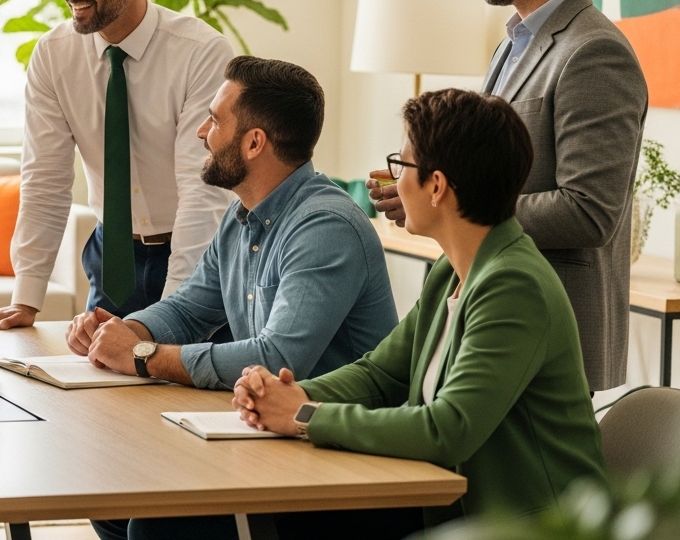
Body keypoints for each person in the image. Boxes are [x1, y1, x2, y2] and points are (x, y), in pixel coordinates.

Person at [224, 89, 604, 539]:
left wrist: (305, 415)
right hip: (452, 505)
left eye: (400, 165)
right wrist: (285, 393)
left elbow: (448, 427)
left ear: (437, 186)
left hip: (533, 525)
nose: (392, 179)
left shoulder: (513, 286)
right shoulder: (452, 270)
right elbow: (379, 375)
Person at [73, 56, 399, 540]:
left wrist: (142, 357)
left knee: (154, 524)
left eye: (215, 119)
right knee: (114, 496)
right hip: (271, 437)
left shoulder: (324, 226)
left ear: (253, 143)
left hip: (337, 456)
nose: (203, 131)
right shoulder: (242, 215)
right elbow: (189, 308)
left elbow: (278, 356)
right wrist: (121, 332)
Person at [370, 0, 648, 393]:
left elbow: (589, 212)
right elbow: (485, 177)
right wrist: (422, 191)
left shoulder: (596, 53)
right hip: (491, 327)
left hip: (553, 346)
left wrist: (453, 206)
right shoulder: (509, 45)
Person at [0, 0, 233, 330]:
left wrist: (174, 313)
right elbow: (45, 179)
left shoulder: (200, 53)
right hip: (113, 259)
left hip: (197, 258)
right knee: (99, 389)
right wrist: (27, 298)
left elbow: (201, 192)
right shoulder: (54, 55)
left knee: (191, 392)